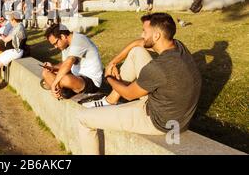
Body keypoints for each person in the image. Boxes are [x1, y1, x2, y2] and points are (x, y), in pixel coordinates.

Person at [77, 13, 202, 155]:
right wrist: (113, 62)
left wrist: (109, 77)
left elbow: (129, 94)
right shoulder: (178, 46)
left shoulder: (158, 68)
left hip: (159, 122)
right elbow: (137, 44)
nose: (142, 34)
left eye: (145, 32)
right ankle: (110, 101)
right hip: (175, 112)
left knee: (83, 118)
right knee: (137, 51)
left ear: (156, 36)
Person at [42, 24, 104, 100]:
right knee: (45, 72)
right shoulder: (65, 45)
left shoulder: (79, 39)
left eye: (55, 43)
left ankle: (61, 90)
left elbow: (69, 61)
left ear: (62, 36)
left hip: (91, 81)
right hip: (75, 76)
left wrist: (53, 84)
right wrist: (52, 67)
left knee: (65, 79)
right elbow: (64, 64)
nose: (55, 47)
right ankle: (61, 91)